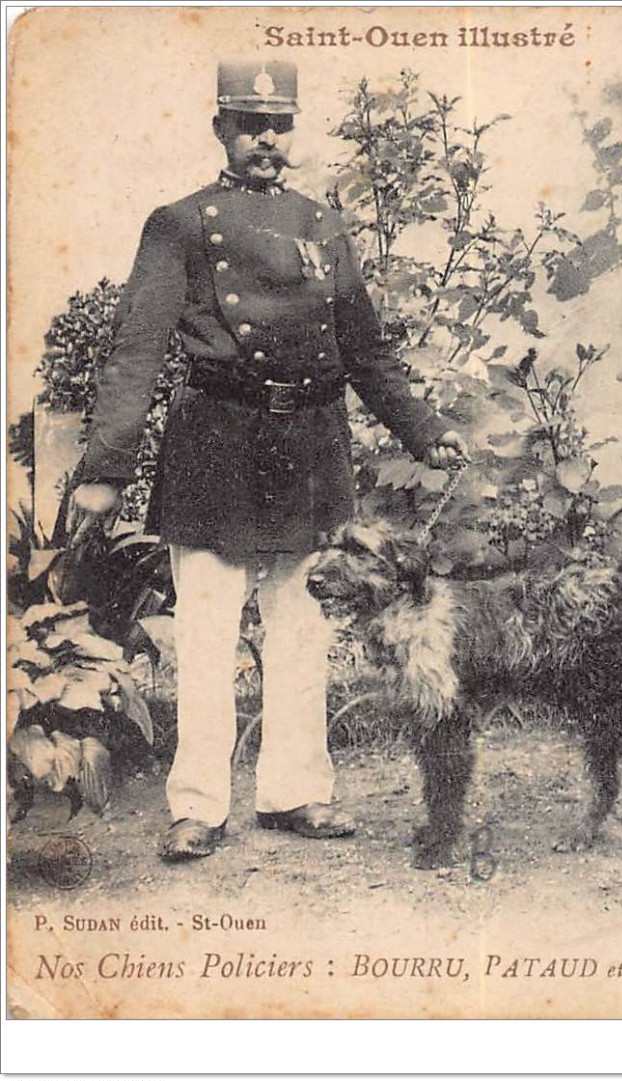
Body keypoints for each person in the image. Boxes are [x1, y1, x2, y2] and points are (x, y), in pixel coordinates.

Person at [74, 60, 467, 861]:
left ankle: (296, 793)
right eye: (251, 123)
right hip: (214, 443)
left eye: (279, 124)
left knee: (302, 628)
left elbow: (366, 349)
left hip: (311, 446)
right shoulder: (180, 224)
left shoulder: (323, 224)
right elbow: (137, 351)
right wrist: (107, 465)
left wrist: (425, 429)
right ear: (220, 127)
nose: (267, 139)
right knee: (209, 631)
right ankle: (198, 807)